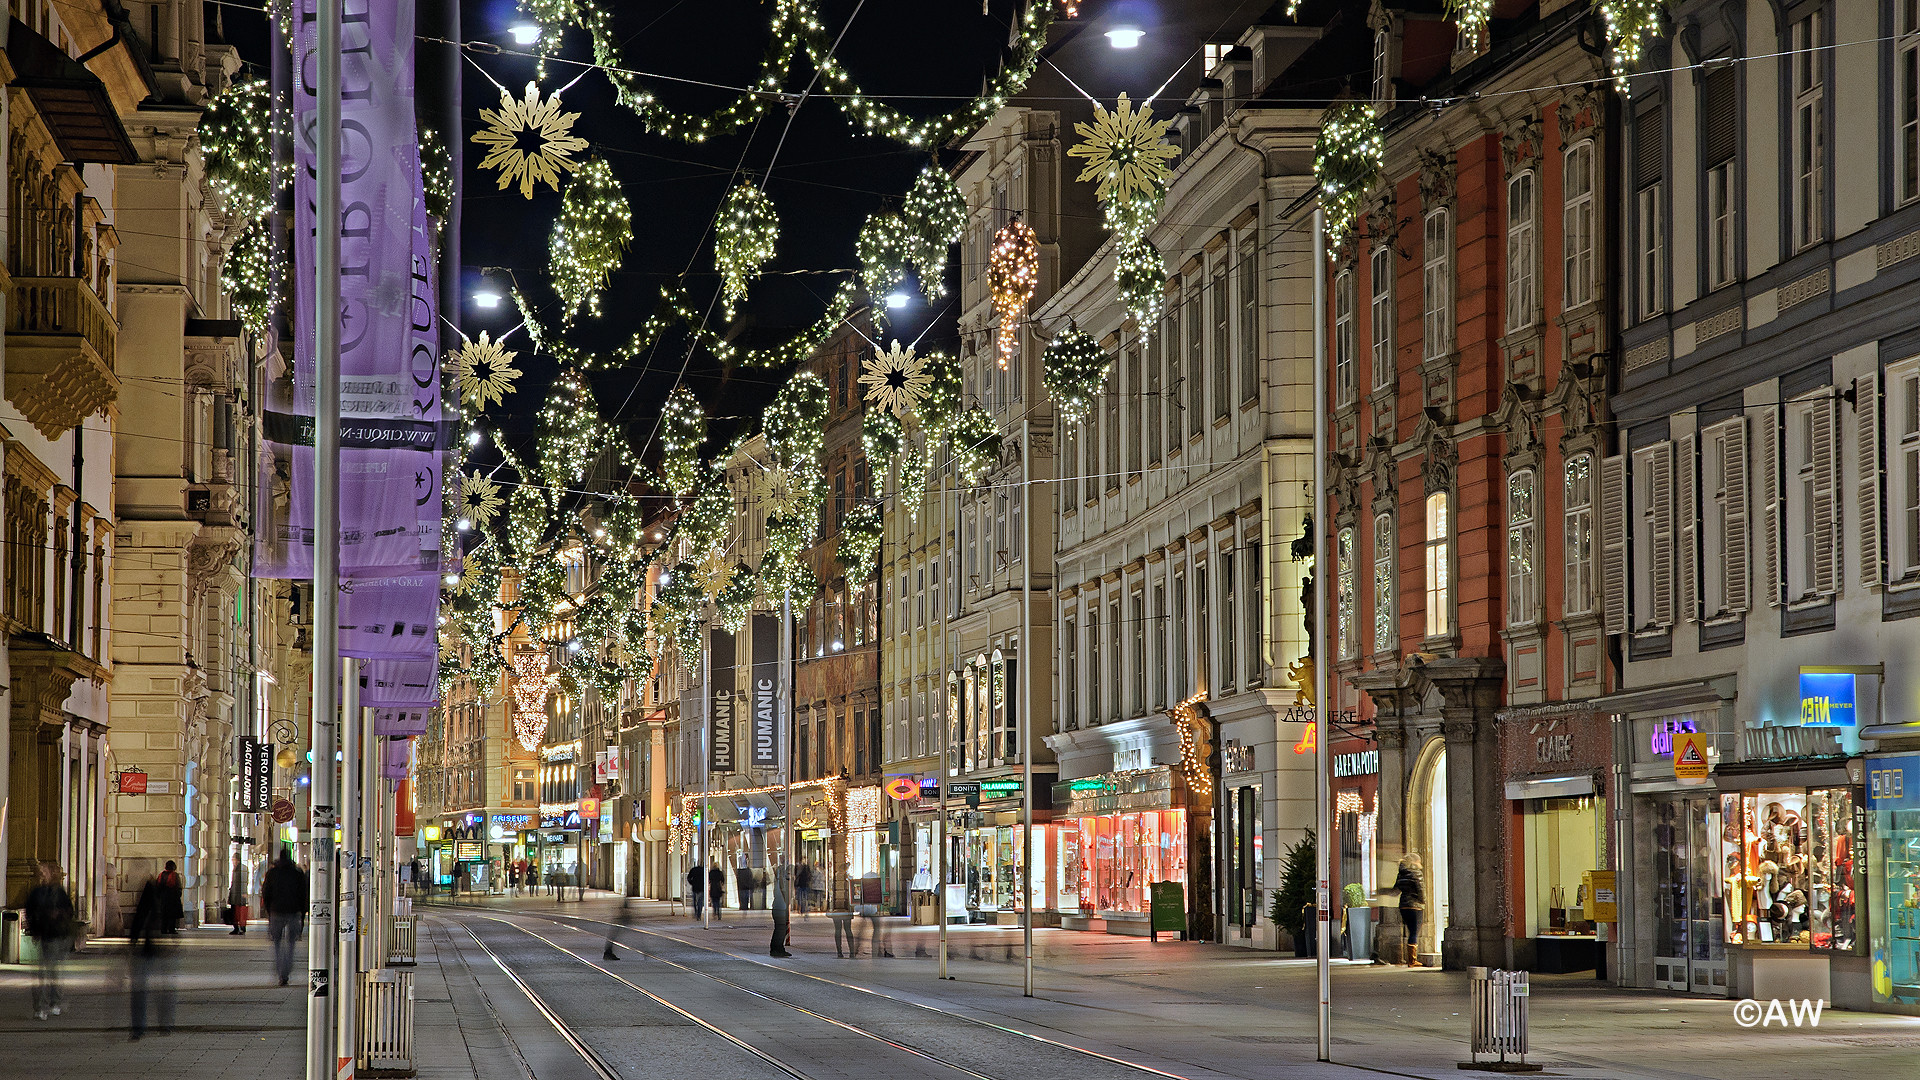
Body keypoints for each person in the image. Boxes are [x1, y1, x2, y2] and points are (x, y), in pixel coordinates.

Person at [129, 863, 184, 1039]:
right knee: (164, 989)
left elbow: (140, 916)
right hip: (162, 945)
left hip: (150, 946)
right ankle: (165, 1024)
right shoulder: (170, 881)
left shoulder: (151, 888)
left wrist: (132, 941)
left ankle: (139, 1028)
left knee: (141, 990)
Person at [23, 862, 75, 1020]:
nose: (42, 875)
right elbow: (29, 911)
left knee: (52, 971)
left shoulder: (58, 893)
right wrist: (33, 927)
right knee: (44, 973)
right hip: (43, 935)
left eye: (44, 872)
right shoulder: (36, 892)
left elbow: (69, 911)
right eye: (40, 872)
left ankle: (53, 1003)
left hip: (56, 935)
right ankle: (41, 1007)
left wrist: (57, 915)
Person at [261, 847, 310, 987]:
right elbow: (303, 894)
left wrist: (269, 910)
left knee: (277, 944)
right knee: (291, 945)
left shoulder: (272, 873)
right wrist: (303, 913)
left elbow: (266, 892)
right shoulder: (297, 873)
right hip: (293, 912)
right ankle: (286, 973)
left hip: (276, 911)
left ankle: (280, 973)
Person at [1395, 854, 1426, 967]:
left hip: (1403, 905)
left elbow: (1396, 888)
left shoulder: (1401, 873)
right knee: (1414, 932)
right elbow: (1420, 888)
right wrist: (1423, 901)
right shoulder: (1416, 872)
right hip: (1415, 906)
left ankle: (1411, 960)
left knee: (1410, 931)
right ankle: (1412, 961)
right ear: (1416, 861)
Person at [858, 872, 891, 957]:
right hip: (872, 909)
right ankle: (876, 950)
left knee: (863, 929)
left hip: (865, 907)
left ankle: (856, 948)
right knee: (876, 929)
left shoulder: (866, 884)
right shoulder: (876, 883)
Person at [769, 865, 792, 958]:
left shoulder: (778, 882)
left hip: (778, 907)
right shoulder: (781, 883)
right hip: (780, 907)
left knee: (780, 929)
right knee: (781, 929)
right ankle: (776, 948)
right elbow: (783, 891)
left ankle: (778, 948)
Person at [227, 854, 251, 935]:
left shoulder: (242, 869)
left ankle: (241, 927)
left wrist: (244, 893)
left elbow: (244, 882)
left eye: (233, 859)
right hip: (235, 894)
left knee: (240, 912)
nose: (232, 861)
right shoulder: (235, 869)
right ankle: (236, 928)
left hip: (240, 895)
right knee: (235, 912)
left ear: (237, 860)